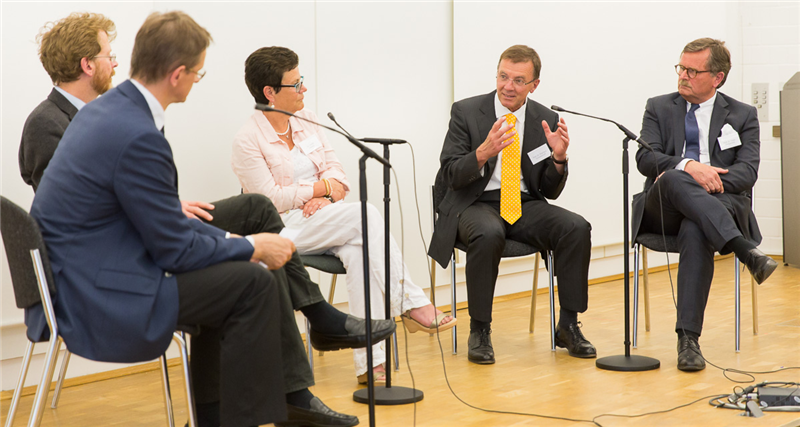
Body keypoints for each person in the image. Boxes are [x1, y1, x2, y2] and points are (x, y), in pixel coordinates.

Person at [31, 12, 394, 427]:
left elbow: (143, 217)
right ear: (178, 74)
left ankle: (225, 414)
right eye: (199, 74)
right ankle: (256, 409)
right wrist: (251, 245)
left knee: (249, 242)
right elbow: (172, 249)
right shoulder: (137, 132)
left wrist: (223, 237)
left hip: (100, 265)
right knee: (252, 280)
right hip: (103, 292)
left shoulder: (114, 110)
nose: (196, 82)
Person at [231, 46, 456, 384]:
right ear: (270, 93)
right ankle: (411, 301)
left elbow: (340, 175)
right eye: (295, 84)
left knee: (360, 251)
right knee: (366, 214)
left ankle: (371, 365)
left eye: (302, 79)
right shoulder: (247, 140)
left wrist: (329, 192)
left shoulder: (309, 121)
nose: (304, 88)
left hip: (324, 219)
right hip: (279, 229)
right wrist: (321, 190)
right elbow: (270, 200)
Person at [428, 45, 596, 365]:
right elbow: (449, 173)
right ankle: (479, 329)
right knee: (489, 233)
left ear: (534, 85)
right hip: (474, 202)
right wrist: (483, 153)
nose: (508, 86)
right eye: (503, 77)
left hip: (523, 203)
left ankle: (568, 324)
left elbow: (549, 189)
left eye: (519, 80)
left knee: (575, 227)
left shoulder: (544, 118)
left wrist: (559, 159)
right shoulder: (466, 111)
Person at [631, 37, 778, 372]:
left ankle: (688, 340)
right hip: (662, 207)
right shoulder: (658, 106)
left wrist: (707, 182)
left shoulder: (742, 114)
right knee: (672, 176)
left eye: (693, 71)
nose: (683, 75)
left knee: (696, 228)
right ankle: (743, 250)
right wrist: (690, 168)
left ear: (717, 77)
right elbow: (645, 157)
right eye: (681, 67)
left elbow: (747, 172)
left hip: (717, 203)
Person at [19, 12, 118, 192]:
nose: (115, 64)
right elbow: (73, 202)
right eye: (109, 56)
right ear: (88, 65)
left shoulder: (99, 118)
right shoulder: (44, 123)